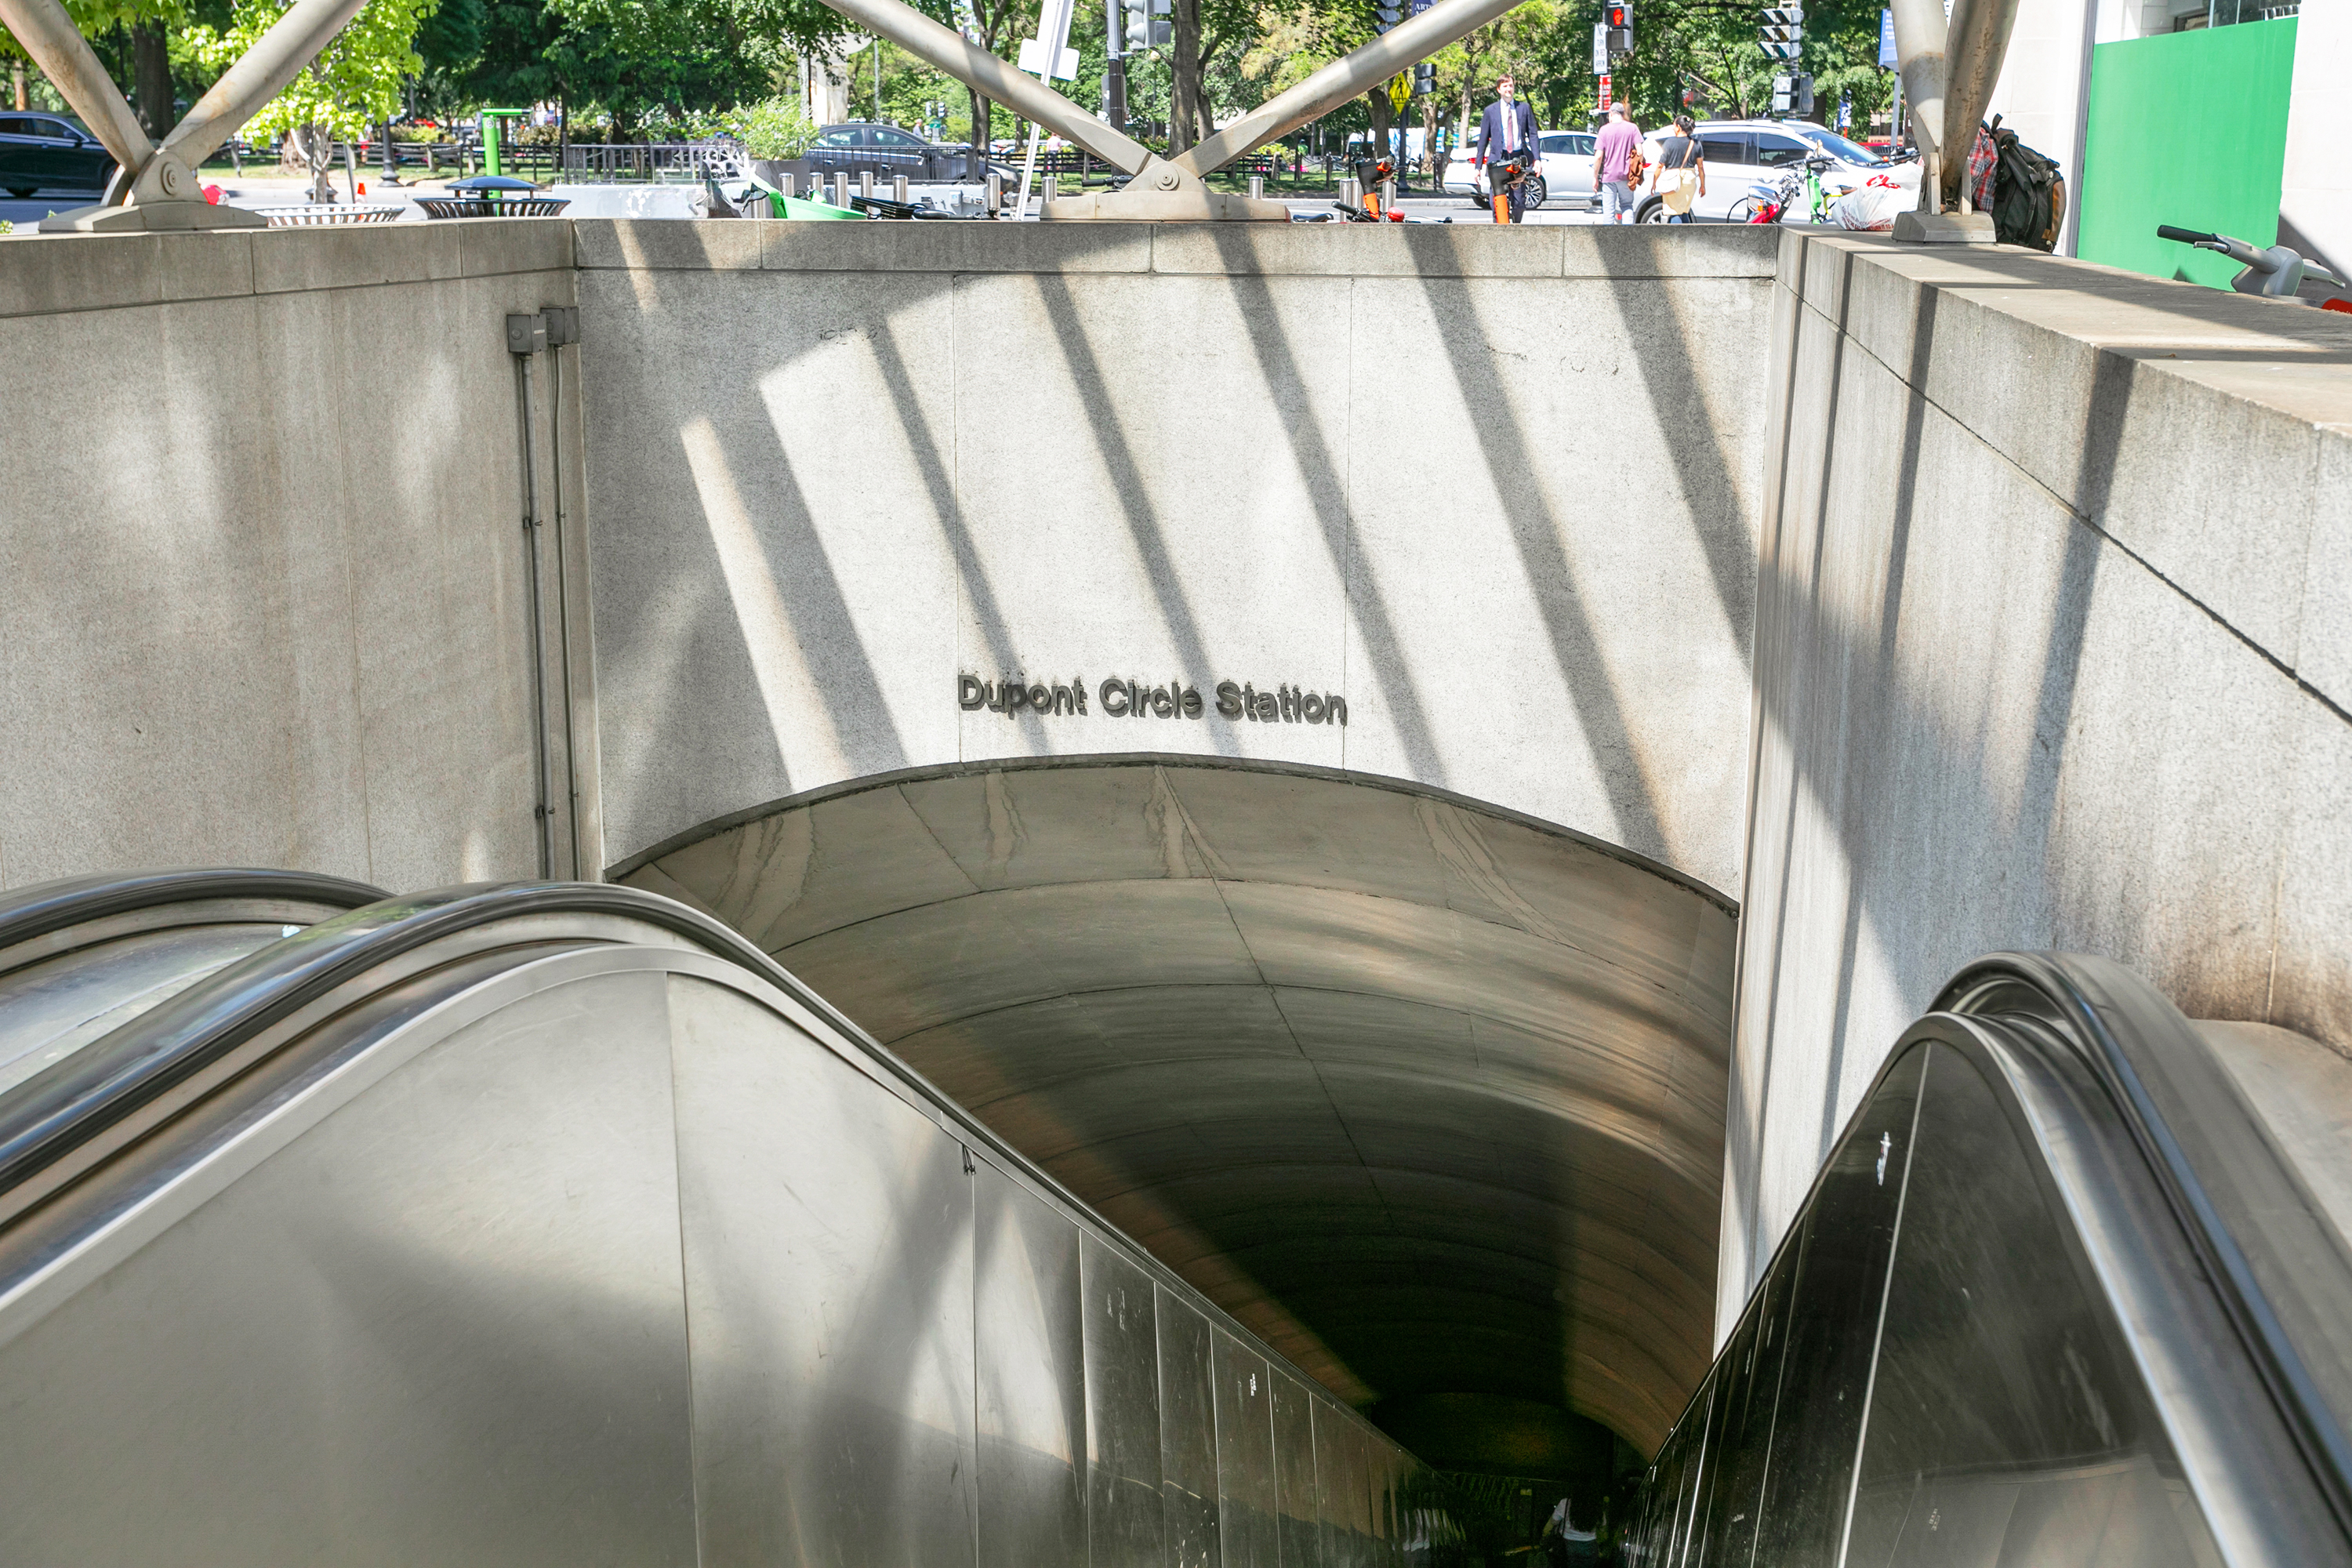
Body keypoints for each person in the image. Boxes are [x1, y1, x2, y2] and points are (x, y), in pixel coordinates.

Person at [1475, 74, 1541, 223]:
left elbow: (1533, 134)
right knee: (1496, 202)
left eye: (1511, 85)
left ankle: (1515, 227)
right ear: (1499, 89)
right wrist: (1478, 167)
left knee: (1519, 203)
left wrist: (1537, 159)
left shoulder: (1524, 108)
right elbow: (1483, 140)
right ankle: (1499, 228)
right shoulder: (1490, 111)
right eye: (1505, 86)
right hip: (1499, 159)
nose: (1509, 89)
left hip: (1517, 157)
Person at [1647, 113, 1704, 223]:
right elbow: (1700, 167)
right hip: (1689, 181)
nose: (1673, 128)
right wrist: (1702, 185)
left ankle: (1677, 234)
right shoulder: (1696, 143)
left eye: (1674, 126)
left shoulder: (1670, 143)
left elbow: (1660, 165)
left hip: (1673, 179)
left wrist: (1654, 183)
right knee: (1684, 211)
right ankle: (1685, 233)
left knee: (1674, 212)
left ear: (1678, 127)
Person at [1592, 101, 1642, 224]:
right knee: (1627, 205)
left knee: (1608, 211)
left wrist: (1595, 177)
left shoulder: (1604, 130)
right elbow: (1640, 152)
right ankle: (1627, 235)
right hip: (1626, 176)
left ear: (1611, 114)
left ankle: (1609, 236)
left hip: (1609, 176)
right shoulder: (1632, 128)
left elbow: (1598, 156)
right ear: (1623, 114)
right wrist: (1636, 169)